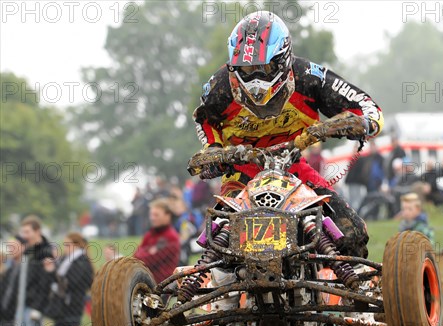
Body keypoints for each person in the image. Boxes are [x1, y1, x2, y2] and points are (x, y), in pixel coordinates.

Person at [183, 11, 383, 300]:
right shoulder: (219, 87)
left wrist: (354, 123)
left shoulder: (309, 77)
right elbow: (203, 119)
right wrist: (214, 151)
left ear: (282, 59)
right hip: (243, 174)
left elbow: (368, 107)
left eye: (262, 69)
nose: (254, 79)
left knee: (350, 232)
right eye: (246, 70)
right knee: (221, 245)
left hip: (294, 168)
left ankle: (358, 295)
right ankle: (222, 307)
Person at [42, 232, 94, 326]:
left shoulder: (81, 261)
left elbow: (71, 282)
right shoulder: (66, 260)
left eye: (67, 245)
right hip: (62, 307)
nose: (65, 248)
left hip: (71, 306)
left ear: (77, 245)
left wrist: (53, 272)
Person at [18, 215, 54, 326]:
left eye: (27, 232)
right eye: (23, 232)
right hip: (23, 302)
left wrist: (38, 308)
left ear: (37, 231)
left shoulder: (46, 252)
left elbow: (46, 283)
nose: (24, 235)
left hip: (35, 306)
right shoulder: (27, 250)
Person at [134, 198, 180, 282]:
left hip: (163, 288)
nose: (152, 218)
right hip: (146, 283)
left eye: (156, 215)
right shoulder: (150, 234)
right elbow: (135, 256)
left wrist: (144, 252)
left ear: (167, 215)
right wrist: (148, 251)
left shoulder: (171, 237)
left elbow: (148, 260)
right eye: (151, 215)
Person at [0, 236, 26, 326]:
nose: (10, 249)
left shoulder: (26, 266)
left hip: (18, 313)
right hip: (5, 313)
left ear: (22, 247)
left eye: (13, 246)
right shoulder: (9, 268)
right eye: (9, 247)